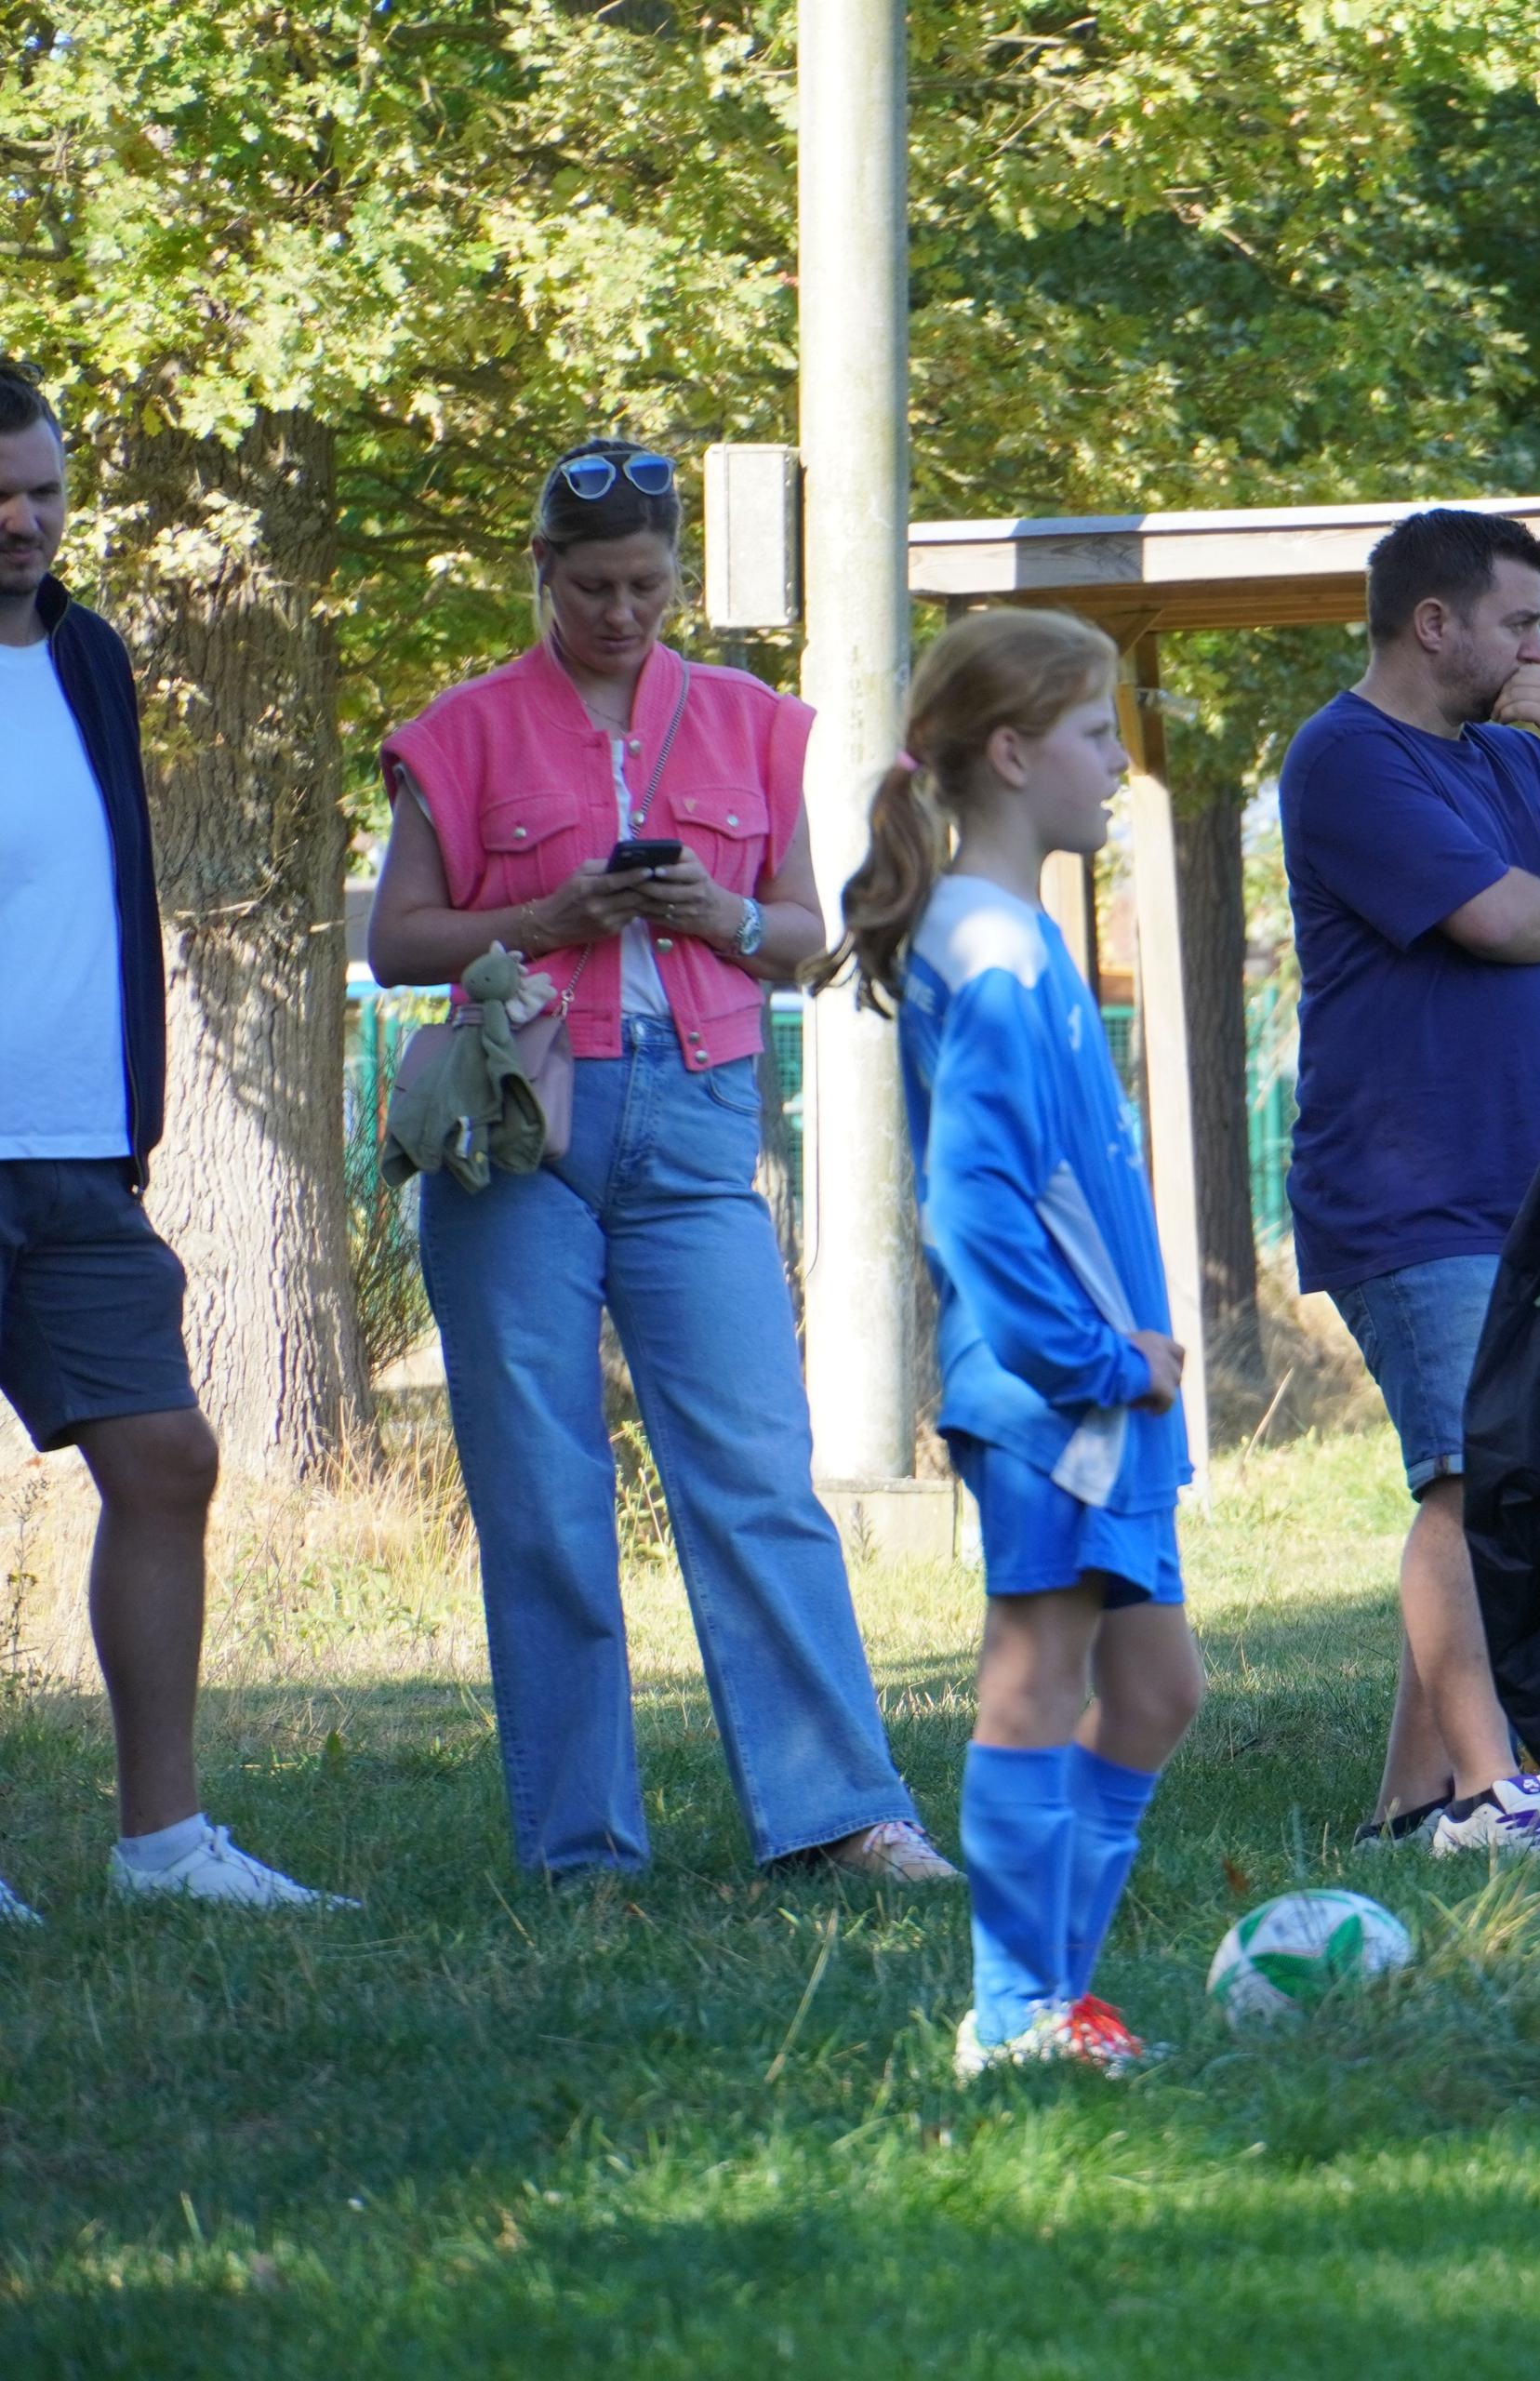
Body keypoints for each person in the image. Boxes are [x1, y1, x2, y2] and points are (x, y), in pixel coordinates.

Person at [372, 438, 942, 1882]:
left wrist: (722, 916)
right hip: (519, 1132)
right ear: (542, 576)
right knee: (545, 1494)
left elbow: (808, 931)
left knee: (759, 1471)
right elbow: (398, 943)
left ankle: (841, 1817)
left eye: (650, 584)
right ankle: (582, 1850)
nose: (626, 612)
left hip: (698, 1130)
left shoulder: (756, 722)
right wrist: (555, 914)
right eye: (596, 586)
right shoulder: (464, 729)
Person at [815, 608, 1207, 2075]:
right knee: (1037, 1677)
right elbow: (972, 1204)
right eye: (1100, 735)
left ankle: (1053, 1999)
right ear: (1013, 749)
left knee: (1160, 1693)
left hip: (1103, 1397)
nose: (1118, 763)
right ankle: (1016, 2014)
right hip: (1058, 1396)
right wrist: (1101, 1365)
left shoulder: (1016, 934)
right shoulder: (986, 948)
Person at [0, 359, 347, 1921]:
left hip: (78, 1153)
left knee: (168, 1458)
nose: (21, 521)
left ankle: (163, 1848)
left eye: (44, 494)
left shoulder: (89, 658)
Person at [1281, 509, 1540, 1854]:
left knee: (1512, 1480)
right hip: (1414, 1188)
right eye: (1520, 622)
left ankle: (1411, 1802)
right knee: (1470, 1486)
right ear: (1433, 622)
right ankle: (1500, 1795)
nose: (1536, 648)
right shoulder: (1343, 759)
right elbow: (1510, 923)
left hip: (1536, 1182)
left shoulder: (1515, 755)